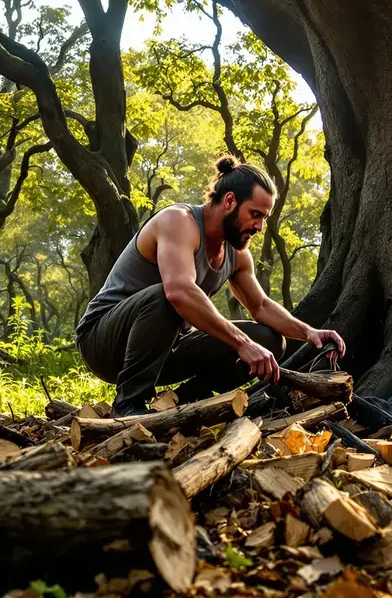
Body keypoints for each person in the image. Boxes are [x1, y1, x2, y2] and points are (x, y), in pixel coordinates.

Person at [76, 156, 346, 416]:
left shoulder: (237, 253)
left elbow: (261, 306)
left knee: (268, 340)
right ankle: (130, 404)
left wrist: (309, 332)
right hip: (104, 342)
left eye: (264, 218)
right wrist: (241, 343)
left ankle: (182, 402)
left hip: (167, 349)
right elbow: (179, 291)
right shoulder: (179, 221)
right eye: (255, 214)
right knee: (170, 297)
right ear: (229, 200)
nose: (260, 226)